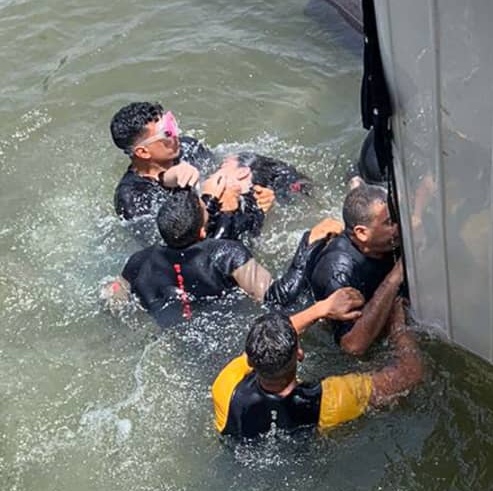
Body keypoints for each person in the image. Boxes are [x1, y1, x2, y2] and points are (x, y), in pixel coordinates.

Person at [109, 190, 342, 326]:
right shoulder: (227, 254)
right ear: (202, 232)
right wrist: (310, 242)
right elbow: (277, 298)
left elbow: (115, 300)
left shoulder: (137, 262)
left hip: (176, 338)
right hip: (228, 331)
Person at [211, 291, 424, 440]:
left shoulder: (225, 387)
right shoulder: (330, 400)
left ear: (250, 362)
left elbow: (256, 350)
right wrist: (398, 326)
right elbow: (409, 373)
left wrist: (321, 309)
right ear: (300, 355)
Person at [109, 102, 304, 242]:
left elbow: (218, 172)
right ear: (142, 151)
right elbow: (174, 243)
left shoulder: (187, 147)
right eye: (167, 134)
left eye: (172, 124)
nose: (176, 135)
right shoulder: (131, 197)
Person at [308, 185, 406, 355]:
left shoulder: (389, 240)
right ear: (361, 233)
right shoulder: (339, 270)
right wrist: (393, 280)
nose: (399, 227)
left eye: (398, 218)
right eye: (390, 223)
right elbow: (352, 346)